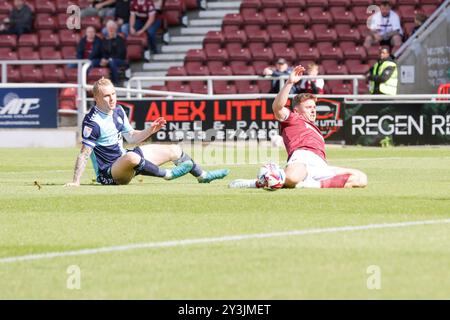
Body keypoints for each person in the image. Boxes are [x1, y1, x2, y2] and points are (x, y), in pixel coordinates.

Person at [65, 78, 229, 187]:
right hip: (110, 173)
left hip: (127, 160)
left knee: (174, 149)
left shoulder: (118, 111)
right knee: (131, 157)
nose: (112, 98)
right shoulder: (92, 122)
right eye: (107, 96)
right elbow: (84, 153)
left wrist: (150, 130)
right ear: (96, 98)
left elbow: (131, 137)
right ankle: (168, 174)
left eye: (114, 94)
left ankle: (203, 175)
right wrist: (76, 181)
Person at [229, 66, 368, 190]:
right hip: (302, 159)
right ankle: (257, 182)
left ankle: (306, 185)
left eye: (314, 107)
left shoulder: (316, 129)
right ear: (296, 110)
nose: (313, 110)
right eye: (308, 107)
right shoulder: (293, 119)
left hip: (321, 165)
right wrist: (289, 83)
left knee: (360, 178)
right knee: (293, 177)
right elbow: (277, 107)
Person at [101, 20, 127, 85]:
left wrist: (109, 59)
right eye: (109, 28)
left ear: (115, 29)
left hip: (120, 60)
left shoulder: (120, 39)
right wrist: (104, 59)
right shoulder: (104, 40)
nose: (110, 29)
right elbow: (103, 52)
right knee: (94, 62)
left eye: (112, 28)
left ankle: (116, 82)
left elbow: (121, 54)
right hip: (108, 60)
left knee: (112, 62)